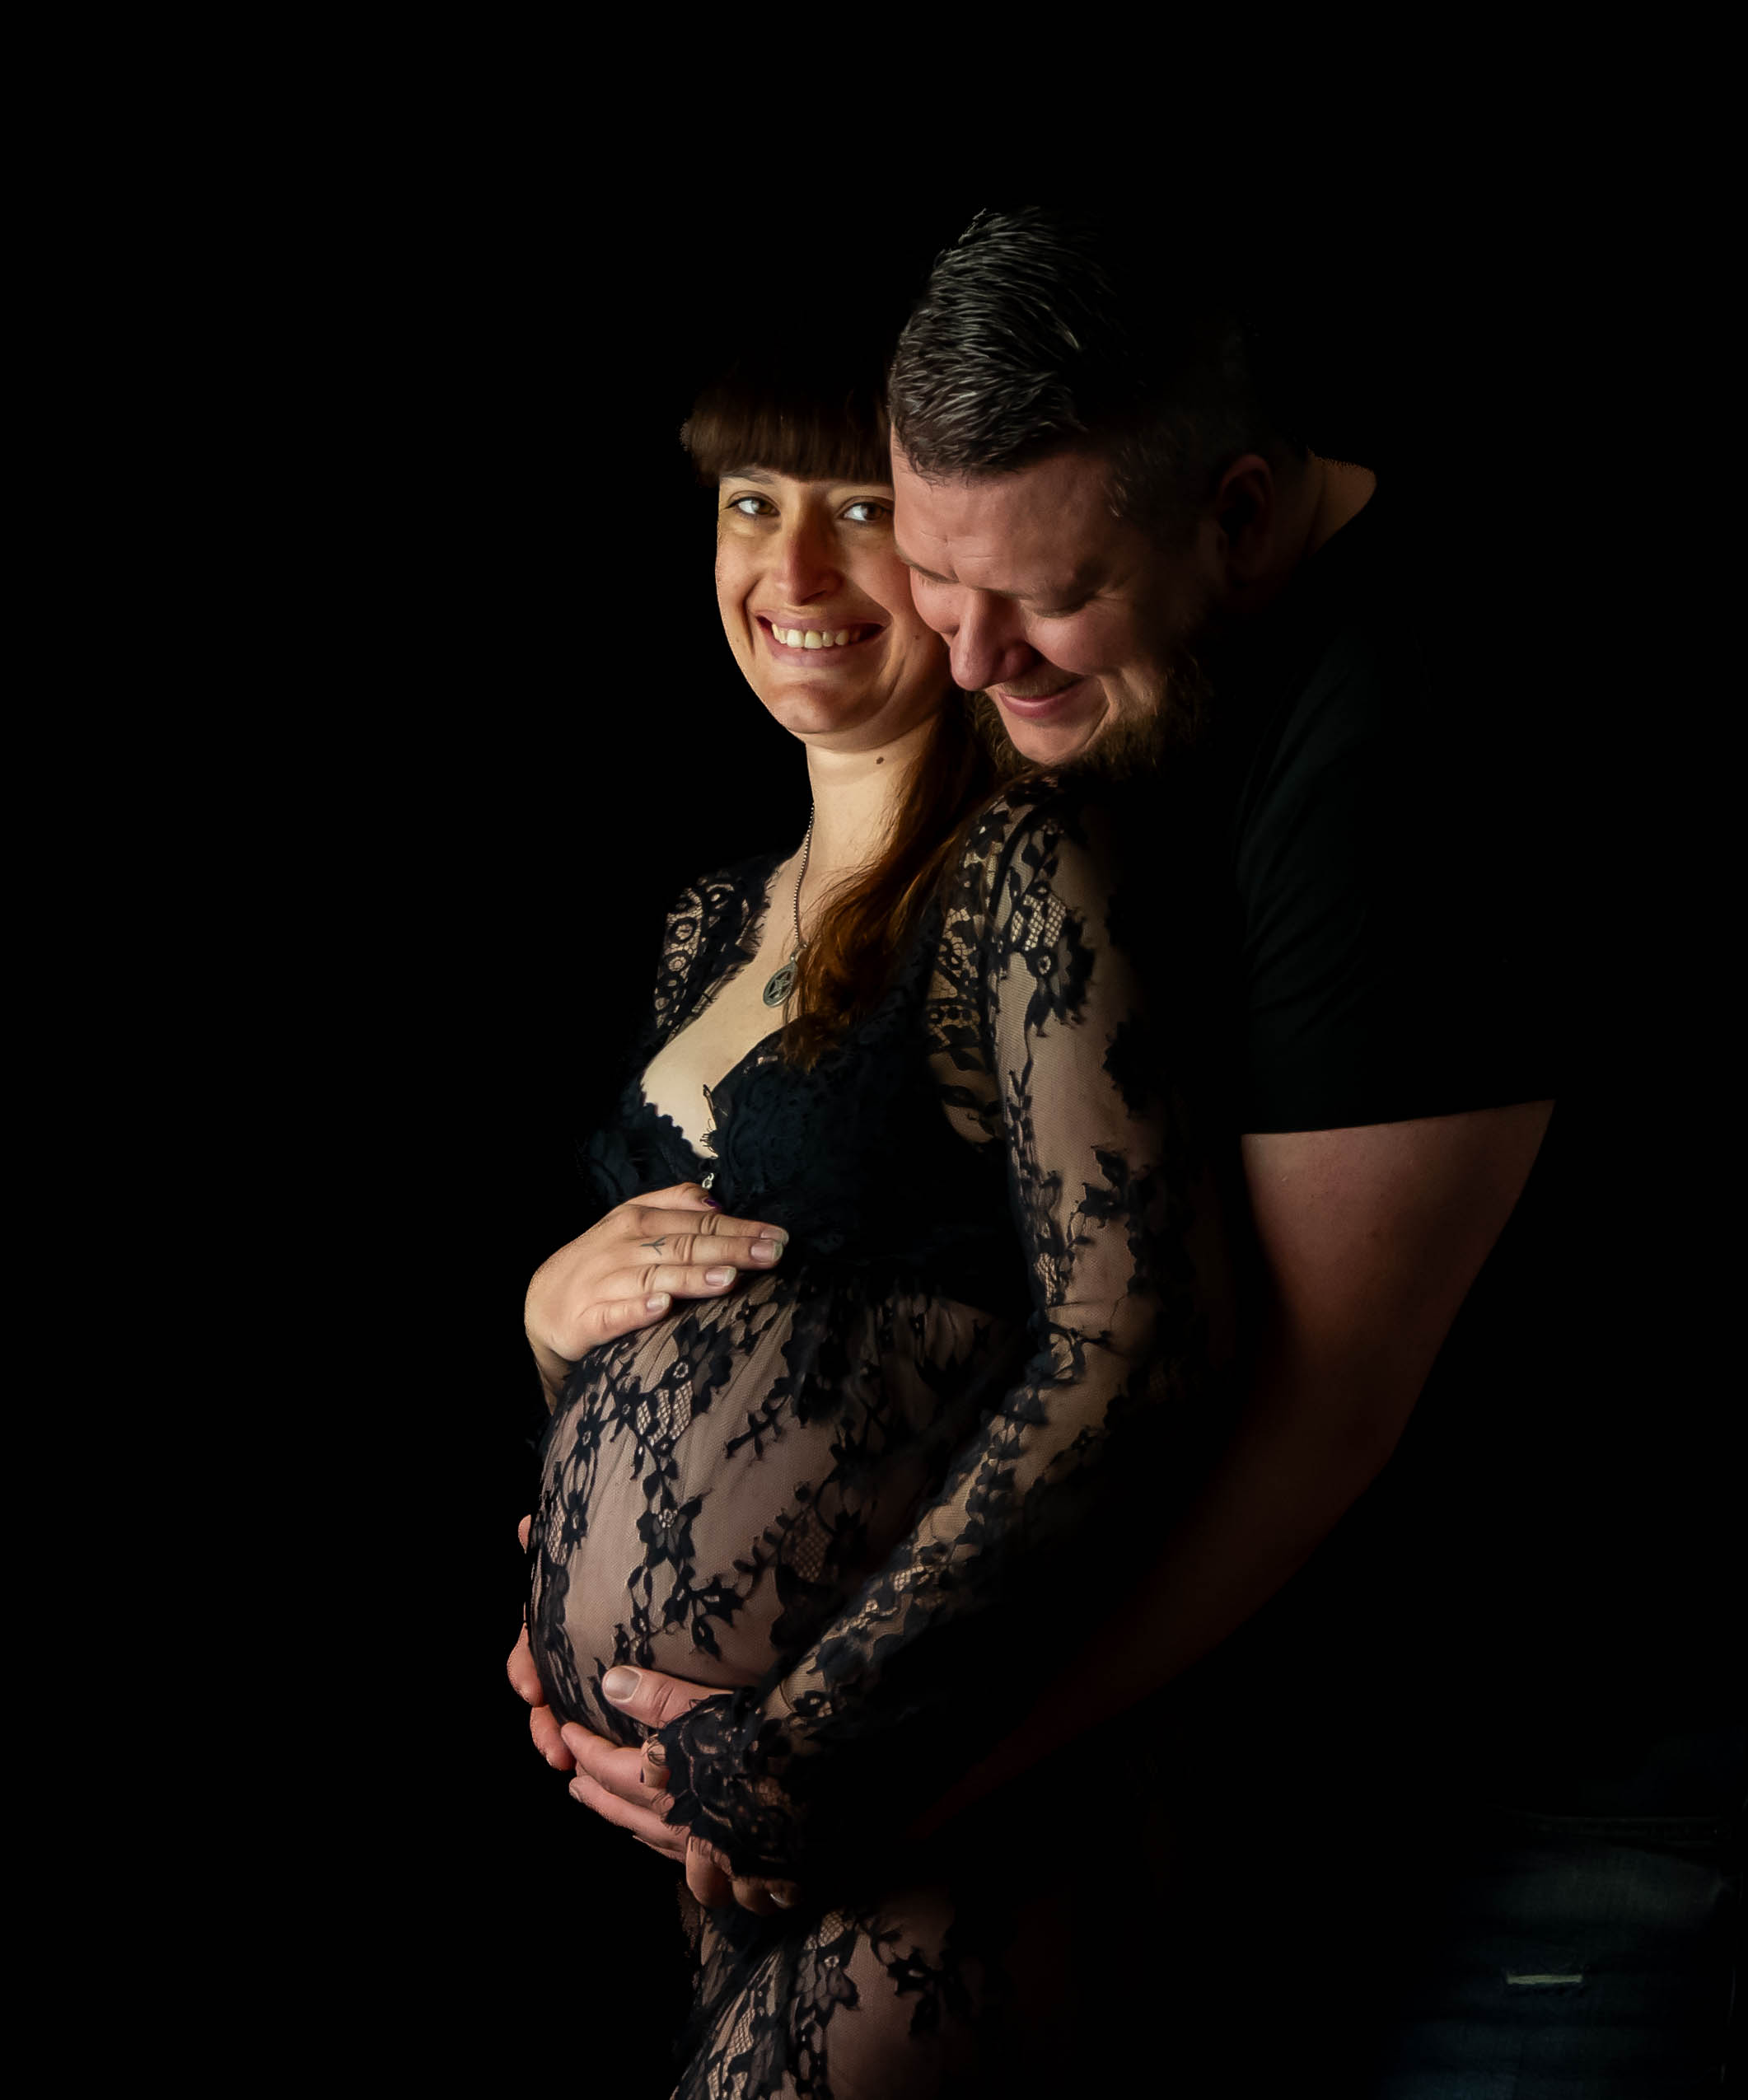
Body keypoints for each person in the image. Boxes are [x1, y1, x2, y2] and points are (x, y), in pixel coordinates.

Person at [529, 208, 1748, 2091]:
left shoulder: (1407, 749)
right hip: (1282, 1760)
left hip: (1548, 1779)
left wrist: (854, 1760)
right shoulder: (1103, 706)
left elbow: (1290, 1404)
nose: (968, 654)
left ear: (1237, 514)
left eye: (1039, 597)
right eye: (939, 572)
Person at [511, 317, 1229, 2098]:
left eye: (855, 510)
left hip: (946, 1812)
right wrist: (548, 1337)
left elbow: (1132, 1347)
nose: (793, 569)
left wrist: (801, 1744)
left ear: (948, 557)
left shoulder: (1023, 872)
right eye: (751, 503)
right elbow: (724, 1363)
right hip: (701, 1829)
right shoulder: (707, 923)